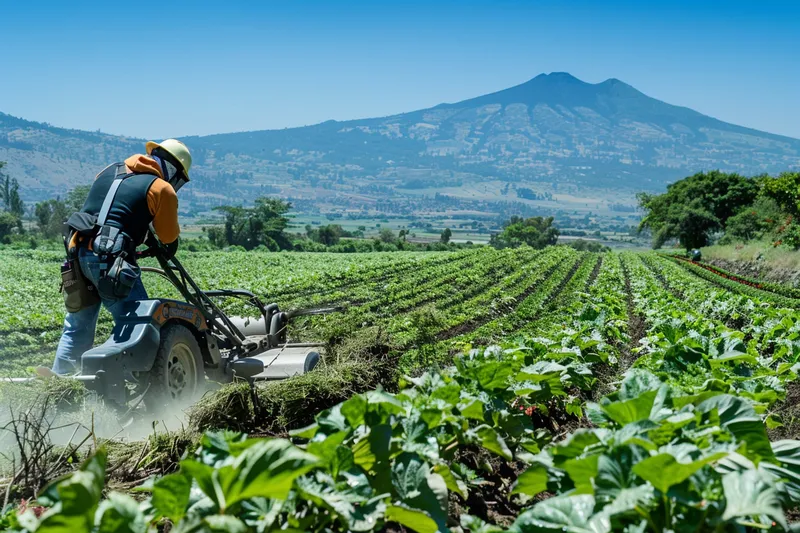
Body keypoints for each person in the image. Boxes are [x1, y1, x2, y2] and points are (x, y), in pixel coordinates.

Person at [49, 139, 192, 376]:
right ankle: (130, 387)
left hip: (78, 255)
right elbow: (168, 236)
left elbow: (108, 211)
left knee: (77, 328)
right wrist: (166, 244)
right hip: (111, 264)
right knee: (139, 326)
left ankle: (61, 384)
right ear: (174, 171)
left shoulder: (108, 171)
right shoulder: (161, 188)